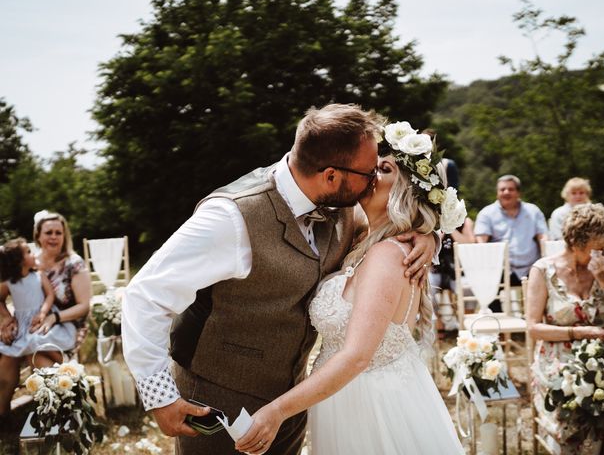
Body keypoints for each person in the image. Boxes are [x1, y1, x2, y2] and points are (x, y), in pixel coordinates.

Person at [121, 104, 437, 455]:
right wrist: (159, 397)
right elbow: (145, 295)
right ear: (331, 175)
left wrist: (428, 236)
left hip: (295, 402)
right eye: (368, 173)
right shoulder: (231, 218)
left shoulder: (343, 203)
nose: (373, 180)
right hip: (218, 404)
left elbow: (388, 234)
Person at [235, 121, 465, 454]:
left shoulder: (388, 255)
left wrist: (278, 411)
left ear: (404, 192)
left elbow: (356, 356)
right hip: (350, 399)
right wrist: (432, 234)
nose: (370, 173)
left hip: (371, 407)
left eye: (383, 169)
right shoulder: (366, 239)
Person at [527, 203, 604, 454]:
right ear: (576, 242)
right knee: (577, 409)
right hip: (557, 362)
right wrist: (581, 332)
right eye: (598, 248)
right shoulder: (543, 270)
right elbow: (533, 327)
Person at [0, 211, 91, 419]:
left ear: (64, 235)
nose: (53, 236)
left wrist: (52, 317)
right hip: (30, 325)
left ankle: (64, 402)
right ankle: (3, 412)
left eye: (58, 232)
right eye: (48, 232)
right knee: (8, 355)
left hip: (66, 323)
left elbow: (84, 306)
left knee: (36, 355)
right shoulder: (29, 263)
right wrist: (6, 318)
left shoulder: (72, 263)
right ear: (38, 236)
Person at [475, 174, 547, 310]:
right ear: (497, 193)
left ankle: (537, 322)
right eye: (502, 189)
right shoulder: (486, 213)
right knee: (487, 282)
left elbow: (543, 237)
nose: (506, 192)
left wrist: (546, 259)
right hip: (500, 268)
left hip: (531, 267)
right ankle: (497, 325)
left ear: (518, 192)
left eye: (510, 189)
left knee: (549, 277)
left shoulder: (533, 211)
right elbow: (481, 243)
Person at [0, 238, 76, 364]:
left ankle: (66, 363)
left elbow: (50, 295)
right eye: (29, 252)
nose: (34, 254)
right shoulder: (8, 283)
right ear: (19, 261)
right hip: (23, 323)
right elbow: (0, 300)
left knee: (39, 339)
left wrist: (42, 313)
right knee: (29, 342)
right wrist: (7, 317)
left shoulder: (38, 275)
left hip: (42, 317)